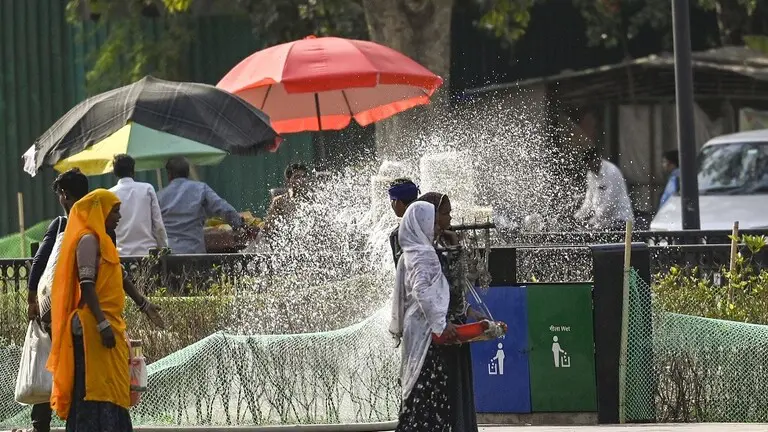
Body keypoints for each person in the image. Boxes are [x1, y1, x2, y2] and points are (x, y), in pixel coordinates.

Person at [46, 189, 164, 432]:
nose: (119, 217)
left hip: (109, 324)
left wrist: (144, 304)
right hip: (91, 328)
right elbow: (87, 285)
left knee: (115, 386)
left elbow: (120, 275)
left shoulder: (105, 241)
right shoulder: (88, 241)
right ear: (101, 211)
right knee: (93, 388)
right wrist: (102, 324)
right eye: (115, 211)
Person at [26, 169, 88, 432]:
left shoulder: (61, 224)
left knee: (48, 363)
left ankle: (41, 424)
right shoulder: (95, 222)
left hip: (55, 311)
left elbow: (39, 261)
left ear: (64, 195)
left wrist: (32, 300)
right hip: (84, 311)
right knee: (79, 368)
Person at [417, 192, 481, 432]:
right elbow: (423, 296)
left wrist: (468, 311)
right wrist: (441, 322)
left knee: (457, 391)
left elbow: (455, 288)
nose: (450, 218)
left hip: (452, 331)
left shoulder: (442, 246)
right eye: (445, 213)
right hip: (433, 337)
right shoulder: (419, 252)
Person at [389, 202, 455, 432]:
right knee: (429, 389)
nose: (436, 227)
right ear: (421, 224)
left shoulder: (409, 253)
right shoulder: (424, 255)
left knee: (416, 386)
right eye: (432, 222)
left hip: (414, 328)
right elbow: (423, 291)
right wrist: (440, 324)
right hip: (426, 332)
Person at [158, 156, 244, 254]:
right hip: (195, 252)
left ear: (169, 174)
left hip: (170, 253)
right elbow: (223, 208)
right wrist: (239, 225)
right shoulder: (201, 189)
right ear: (187, 172)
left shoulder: (160, 196)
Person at [109, 154, 169, 256]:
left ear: (115, 173)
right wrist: (164, 248)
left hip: (120, 256)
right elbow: (158, 224)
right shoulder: (147, 189)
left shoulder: (109, 194)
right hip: (148, 254)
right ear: (133, 171)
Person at [574, 148, 634, 231]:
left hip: (621, 220)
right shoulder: (590, 174)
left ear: (597, 159)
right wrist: (577, 217)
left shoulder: (612, 172)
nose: (590, 168)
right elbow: (588, 200)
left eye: (591, 164)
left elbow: (610, 202)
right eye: (588, 166)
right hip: (603, 222)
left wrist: (592, 221)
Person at [263, 163, 310, 234]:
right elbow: (268, 227)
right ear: (288, 181)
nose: (301, 180)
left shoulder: (313, 200)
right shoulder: (279, 201)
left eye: (304, 176)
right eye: (297, 177)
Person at [387, 178, 420, 266]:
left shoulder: (398, 233)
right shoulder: (430, 221)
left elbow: (401, 268)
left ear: (398, 202)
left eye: (392, 200)